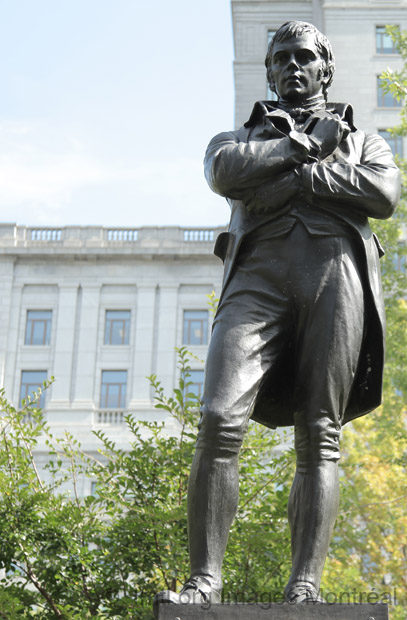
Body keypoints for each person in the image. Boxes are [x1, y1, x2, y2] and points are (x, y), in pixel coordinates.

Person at [154, 20, 400, 612]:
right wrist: (303, 146)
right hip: (256, 282)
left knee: (322, 433)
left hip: (333, 275)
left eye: (304, 58)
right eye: (281, 59)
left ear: (326, 71)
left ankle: (305, 585)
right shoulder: (233, 141)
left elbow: (383, 195)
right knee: (217, 418)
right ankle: (205, 581)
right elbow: (225, 175)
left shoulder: (365, 141)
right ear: (269, 73)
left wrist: (297, 178)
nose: (292, 67)